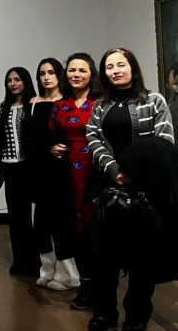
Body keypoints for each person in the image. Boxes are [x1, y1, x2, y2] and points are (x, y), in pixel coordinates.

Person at [86, 49, 175, 331]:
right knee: (104, 259)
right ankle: (105, 313)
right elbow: (93, 139)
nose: (115, 70)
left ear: (132, 68)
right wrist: (115, 171)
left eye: (121, 65)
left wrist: (134, 173)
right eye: (109, 66)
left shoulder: (154, 101)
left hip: (145, 191)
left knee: (142, 261)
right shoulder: (99, 106)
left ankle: (136, 317)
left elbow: (163, 143)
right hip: (107, 188)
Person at [48, 52, 101, 308]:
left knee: (95, 230)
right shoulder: (59, 105)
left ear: (92, 74)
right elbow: (51, 137)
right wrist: (53, 148)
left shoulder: (101, 103)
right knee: (73, 231)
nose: (76, 75)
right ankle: (85, 285)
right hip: (66, 174)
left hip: (96, 171)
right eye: (72, 70)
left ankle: (102, 287)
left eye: (82, 70)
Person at [25, 58, 69, 287]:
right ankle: (47, 268)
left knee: (60, 221)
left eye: (51, 72)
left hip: (60, 168)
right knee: (40, 222)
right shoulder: (33, 102)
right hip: (38, 166)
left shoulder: (67, 101)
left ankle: (67, 273)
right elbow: (29, 136)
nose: (46, 77)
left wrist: (58, 148)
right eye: (42, 73)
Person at [0, 66, 40, 276]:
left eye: (17, 79)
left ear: (25, 81)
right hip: (9, 165)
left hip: (27, 165)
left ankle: (35, 261)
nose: (13, 84)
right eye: (9, 80)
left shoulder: (34, 104)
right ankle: (19, 260)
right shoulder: (4, 106)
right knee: (15, 216)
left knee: (29, 215)